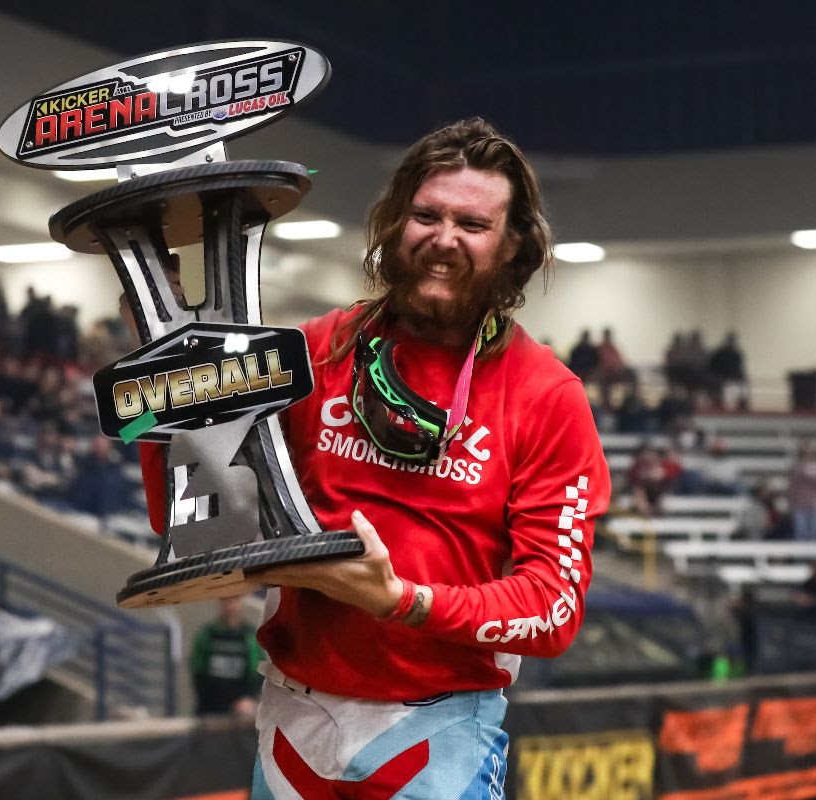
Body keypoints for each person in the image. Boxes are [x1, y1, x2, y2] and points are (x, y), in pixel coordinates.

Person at [132, 117, 610, 798]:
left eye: (472, 225)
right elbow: (197, 524)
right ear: (394, 223)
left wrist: (405, 602)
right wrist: (171, 368)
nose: (443, 239)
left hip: (437, 727)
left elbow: (553, 608)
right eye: (426, 215)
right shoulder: (316, 350)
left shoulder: (546, 395)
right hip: (293, 718)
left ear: (512, 248)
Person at [190, 596, 265, 716]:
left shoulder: (249, 636)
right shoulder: (207, 634)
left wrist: (250, 698)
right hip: (209, 708)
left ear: (242, 602)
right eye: (226, 600)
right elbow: (197, 670)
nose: (230, 605)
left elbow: (259, 671)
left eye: (235, 600)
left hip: (240, 711)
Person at [789, 439, 816, 541]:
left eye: (811, 452)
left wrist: (813, 476)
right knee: (801, 533)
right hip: (800, 504)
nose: (808, 454)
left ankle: (813, 557)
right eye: (806, 452)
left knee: (814, 533)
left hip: (814, 503)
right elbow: (793, 485)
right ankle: (800, 556)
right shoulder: (797, 466)